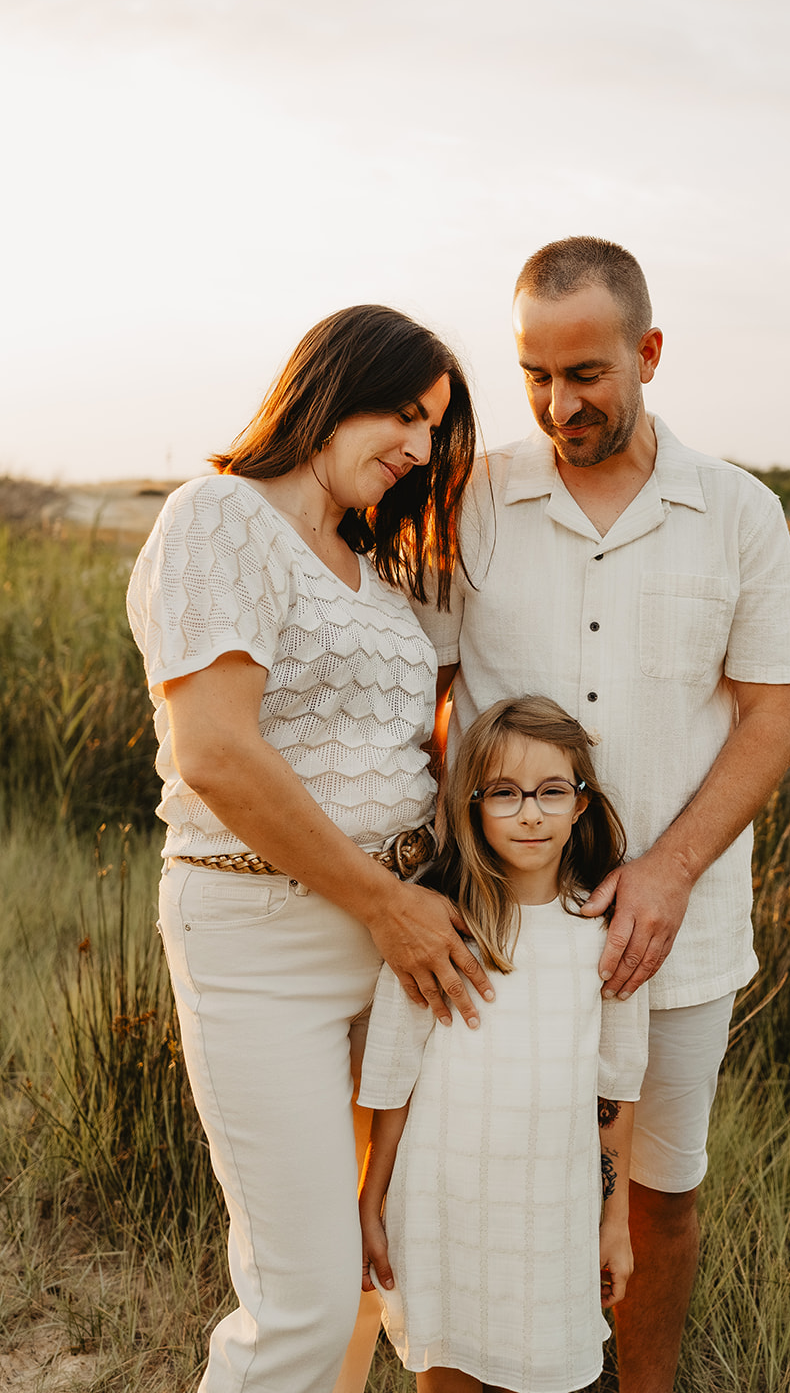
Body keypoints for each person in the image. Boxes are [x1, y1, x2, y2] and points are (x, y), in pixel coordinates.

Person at [420, 238, 790, 1393]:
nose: (557, 404)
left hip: (676, 937)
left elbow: (772, 717)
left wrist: (668, 868)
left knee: (659, 1194)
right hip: (496, 937)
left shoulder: (738, 512)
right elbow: (421, 690)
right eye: (534, 375)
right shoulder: (470, 499)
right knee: (473, 1188)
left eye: (585, 373)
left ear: (648, 352)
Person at [126, 303, 496, 1393]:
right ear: (330, 391)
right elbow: (217, 753)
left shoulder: (372, 565)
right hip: (264, 938)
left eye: (433, 428)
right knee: (304, 1299)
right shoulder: (219, 517)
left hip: (394, 948)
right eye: (403, 414)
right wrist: (385, 904)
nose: (418, 447)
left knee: (375, 1268)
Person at [358, 695, 649, 1393]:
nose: (530, 813)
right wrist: (372, 1198)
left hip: (553, 1211)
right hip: (443, 1201)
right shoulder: (438, 929)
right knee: (449, 1368)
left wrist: (614, 1222)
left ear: (581, 804)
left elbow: (615, 1091)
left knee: (549, 1370)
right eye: (504, 793)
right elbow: (393, 1076)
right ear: (473, 805)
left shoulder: (604, 933)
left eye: (551, 792)